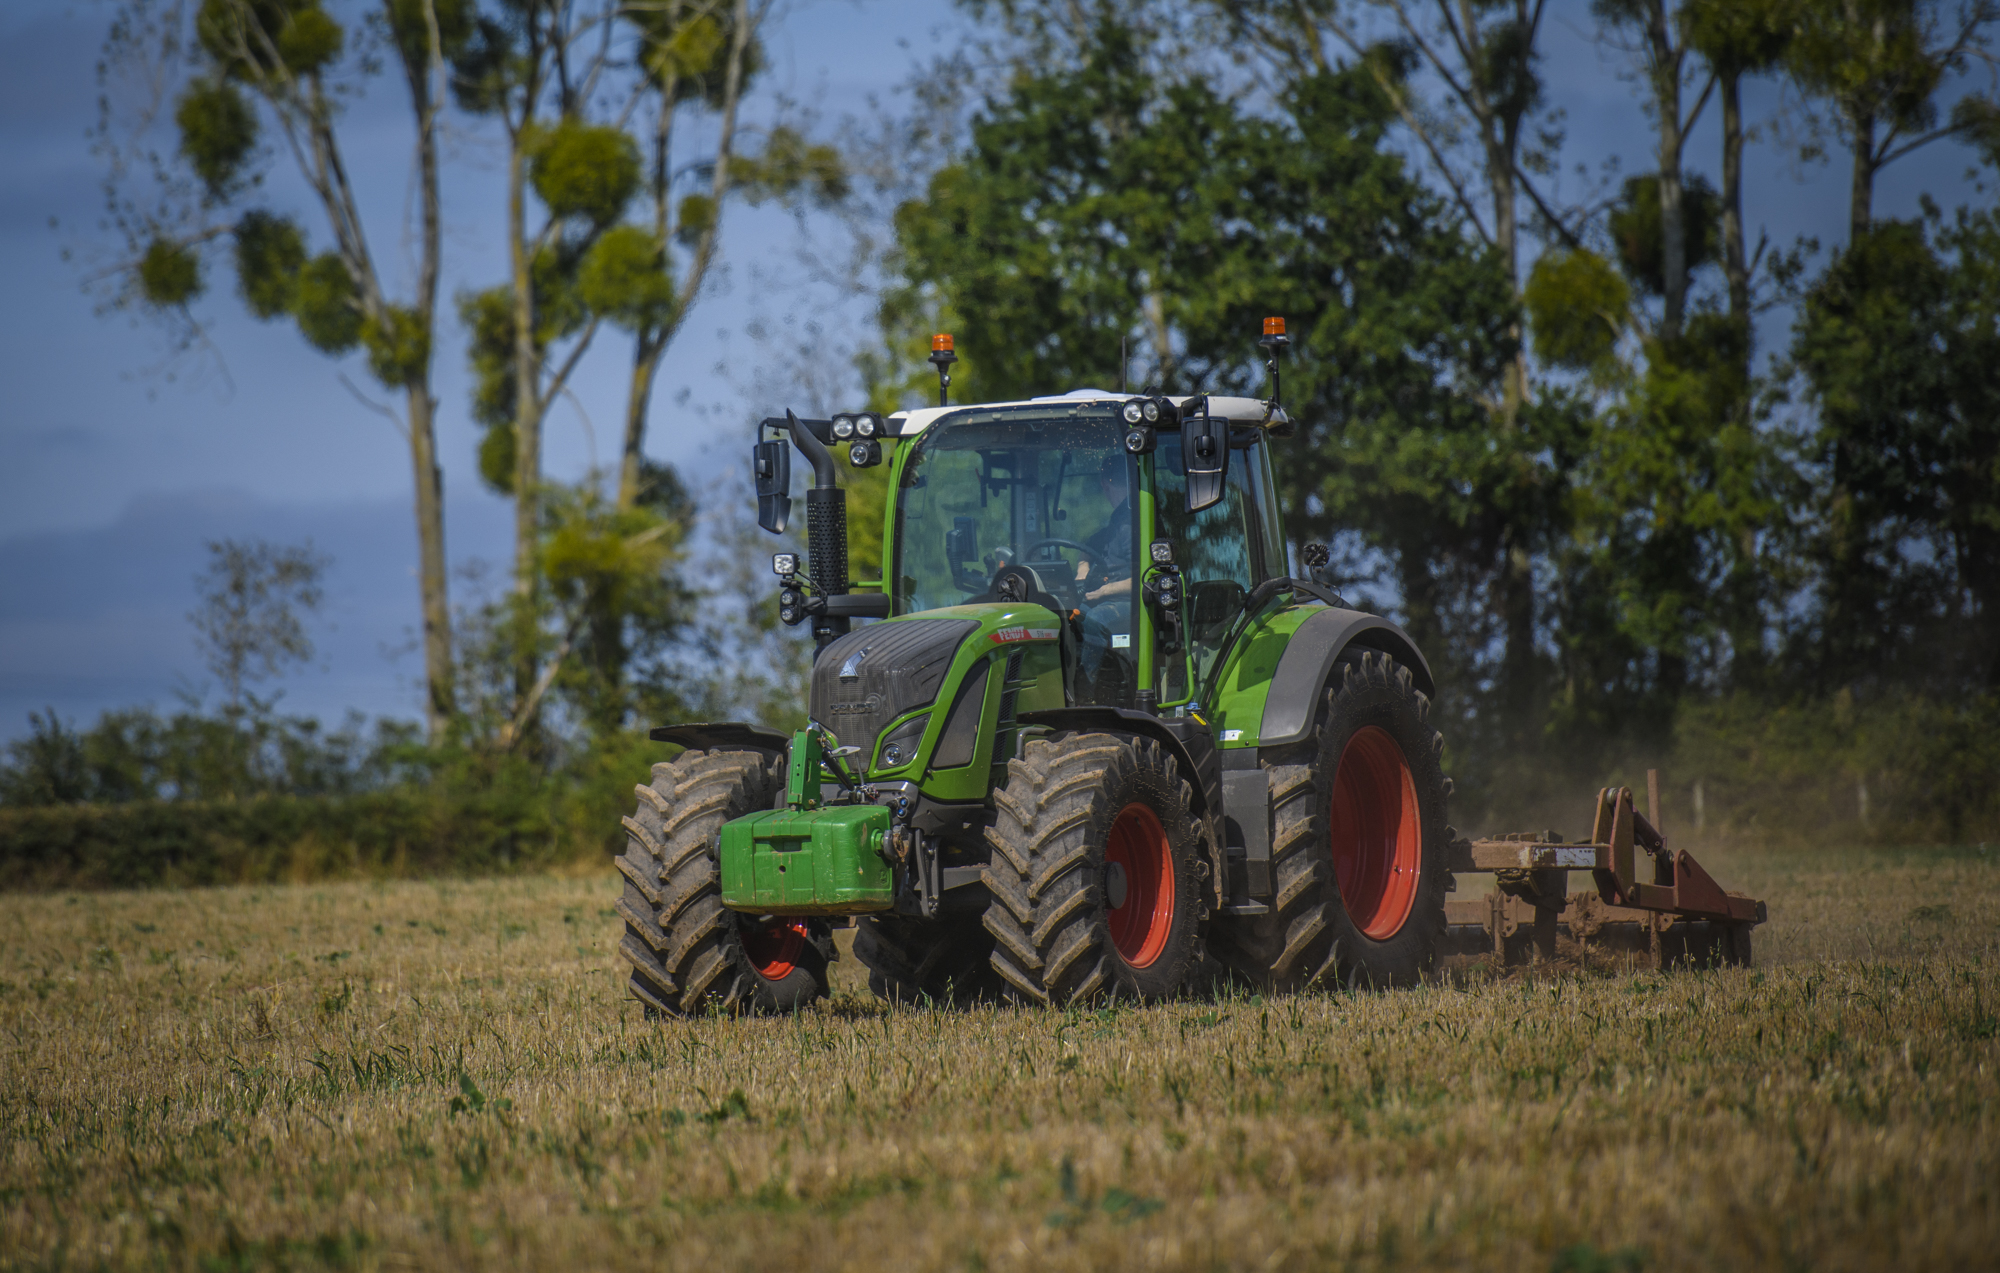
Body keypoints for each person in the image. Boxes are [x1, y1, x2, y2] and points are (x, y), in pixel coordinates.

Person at [1074, 451, 1132, 686]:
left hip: (1136, 602)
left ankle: (1087, 690)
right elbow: (1090, 544)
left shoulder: (1133, 522)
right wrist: (1083, 567)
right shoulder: (1119, 518)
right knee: (1068, 615)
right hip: (1115, 598)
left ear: (1105, 484)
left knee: (1096, 619)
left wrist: (1102, 592)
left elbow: (1145, 579)